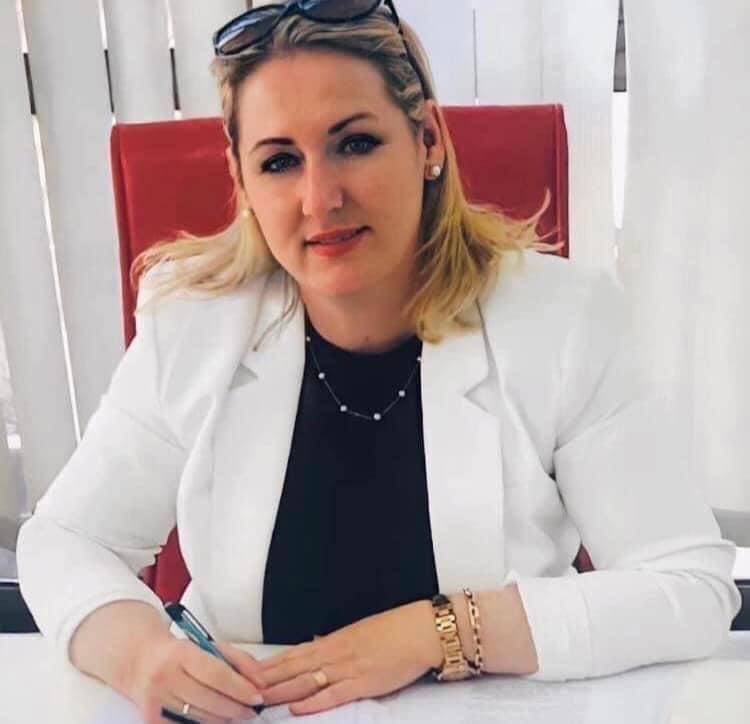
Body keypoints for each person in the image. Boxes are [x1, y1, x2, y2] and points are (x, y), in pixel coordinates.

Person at [17, 1, 740, 722]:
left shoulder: (562, 321)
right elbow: (65, 541)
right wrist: (141, 653)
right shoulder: (193, 324)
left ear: (428, 140)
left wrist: (441, 632)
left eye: (355, 143)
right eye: (279, 161)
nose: (320, 198)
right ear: (241, 179)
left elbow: (688, 585)